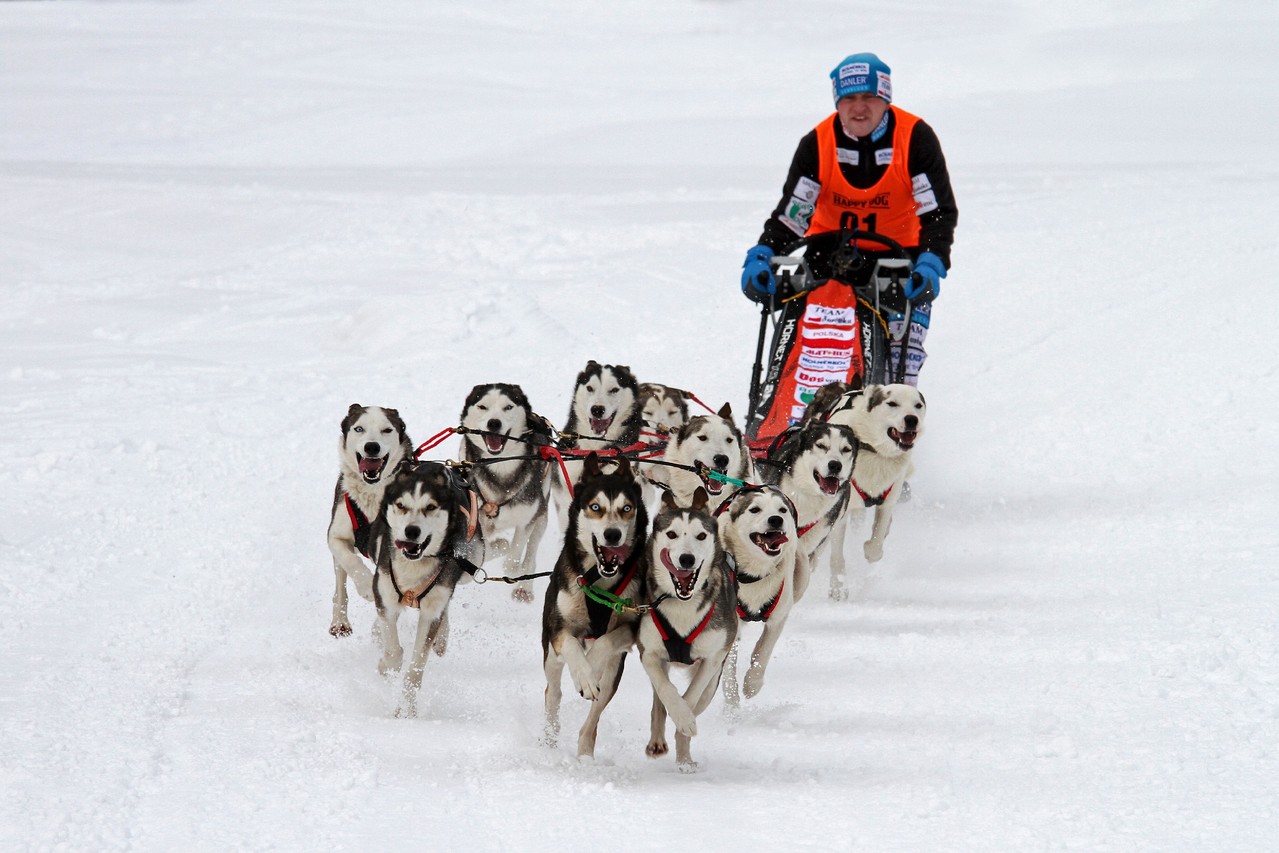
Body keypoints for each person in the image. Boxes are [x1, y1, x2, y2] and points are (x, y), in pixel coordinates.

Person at [741, 52, 958, 386]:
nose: (860, 108)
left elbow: (937, 213)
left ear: (885, 99)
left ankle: (890, 411)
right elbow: (792, 216)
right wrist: (761, 254)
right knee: (794, 315)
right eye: (850, 98)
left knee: (903, 345)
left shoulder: (914, 138)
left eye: (870, 97)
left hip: (899, 258)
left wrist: (931, 262)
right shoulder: (817, 142)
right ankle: (783, 406)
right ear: (838, 103)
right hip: (828, 255)